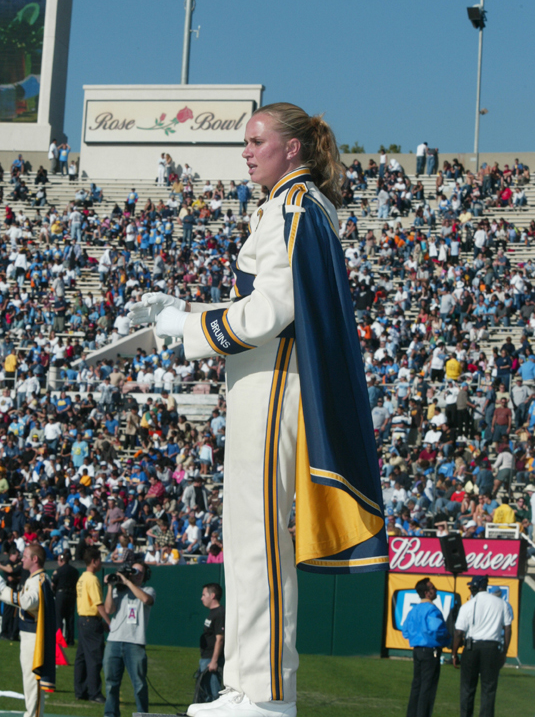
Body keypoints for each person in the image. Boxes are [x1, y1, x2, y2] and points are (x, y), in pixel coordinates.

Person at [129, 102, 387, 717]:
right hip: (264, 382)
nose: (246, 151)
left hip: (274, 387)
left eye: (256, 140)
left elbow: (271, 311)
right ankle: (248, 683)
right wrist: (187, 310)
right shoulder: (292, 208)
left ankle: (266, 692)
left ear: (291, 148)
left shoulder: (293, 208)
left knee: (259, 542)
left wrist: (183, 325)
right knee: (247, 541)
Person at [0, 543, 56, 717]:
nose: (21, 559)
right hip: (28, 636)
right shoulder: (34, 579)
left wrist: (3, 589)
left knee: (34, 683)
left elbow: (27, 602)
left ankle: (33, 715)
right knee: (29, 681)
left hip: (35, 638)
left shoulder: (40, 580)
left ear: (34, 559)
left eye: (25, 556)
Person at [452, 575, 512, 717]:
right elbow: (508, 628)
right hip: (492, 648)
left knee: (467, 688)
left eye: (471, 586)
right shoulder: (501, 603)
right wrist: (504, 652)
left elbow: (458, 632)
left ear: (475, 587)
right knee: (488, 690)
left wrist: (454, 654)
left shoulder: (468, 605)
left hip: (472, 647)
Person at [103, 562, 155, 717]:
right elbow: (108, 610)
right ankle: (110, 714)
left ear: (145, 576)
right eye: (134, 571)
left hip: (135, 643)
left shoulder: (148, 590)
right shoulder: (119, 591)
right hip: (114, 641)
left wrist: (128, 582)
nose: (137, 574)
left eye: (140, 572)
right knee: (111, 684)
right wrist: (111, 586)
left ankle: (142, 714)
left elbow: (146, 600)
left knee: (139, 684)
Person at [402, 577, 451, 717]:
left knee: (416, 686)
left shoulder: (414, 610)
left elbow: (405, 631)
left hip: (417, 650)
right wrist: (447, 637)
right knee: (427, 689)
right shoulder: (432, 610)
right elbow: (436, 630)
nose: (435, 590)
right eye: (433, 588)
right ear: (427, 593)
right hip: (430, 651)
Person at [75, 547, 110, 703]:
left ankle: (80, 690)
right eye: (100, 560)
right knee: (94, 658)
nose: (101, 563)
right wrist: (109, 622)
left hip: (82, 619)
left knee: (81, 658)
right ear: (94, 561)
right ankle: (94, 692)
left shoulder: (82, 578)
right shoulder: (93, 579)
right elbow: (98, 604)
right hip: (91, 621)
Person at [190, 583, 225, 711]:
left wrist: (214, 661)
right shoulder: (212, 613)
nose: (201, 598)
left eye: (204, 595)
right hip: (206, 659)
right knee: (204, 694)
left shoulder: (220, 613)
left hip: (211, 661)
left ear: (213, 595)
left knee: (213, 695)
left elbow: (220, 639)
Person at [51, 550, 79, 646]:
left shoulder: (59, 571)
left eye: (59, 560)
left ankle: (59, 639)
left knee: (59, 617)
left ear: (62, 561)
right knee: (70, 618)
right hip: (71, 594)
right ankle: (70, 640)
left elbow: (53, 584)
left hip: (61, 594)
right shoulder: (75, 571)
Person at [0, 544, 22, 641]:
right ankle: (4, 633)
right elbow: (10, 577)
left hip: (14, 589)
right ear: (11, 555)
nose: (18, 557)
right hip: (8, 589)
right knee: (8, 612)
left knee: (14, 613)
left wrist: (16, 578)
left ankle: (10, 633)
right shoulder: (7, 562)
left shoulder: (16, 564)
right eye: (16, 555)